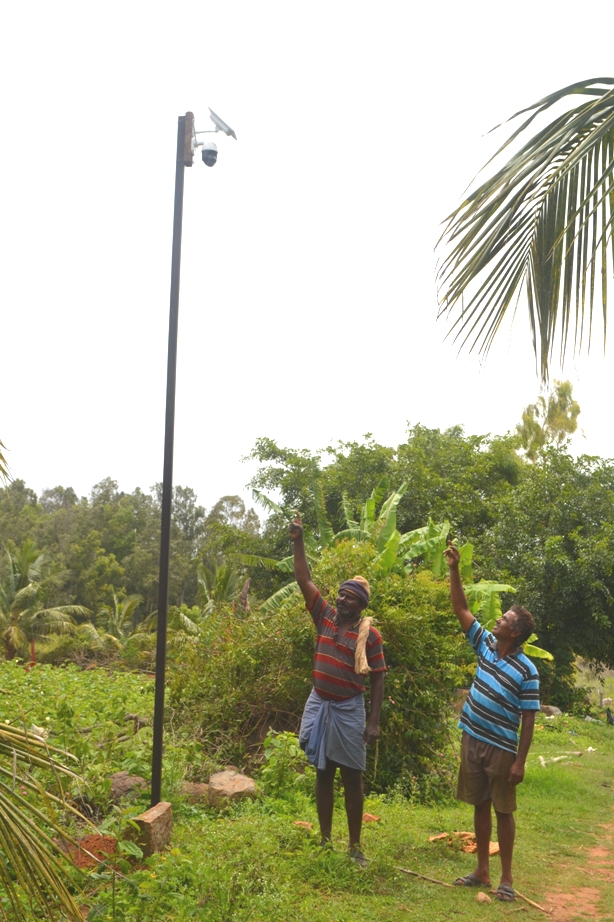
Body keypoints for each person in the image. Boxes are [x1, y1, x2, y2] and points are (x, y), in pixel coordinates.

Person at [444, 543, 540, 903]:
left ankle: (507, 879)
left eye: (504, 620)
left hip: (501, 749)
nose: (497, 620)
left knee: (504, 809)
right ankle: (481, 871)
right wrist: (454, 569)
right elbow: (461, 608)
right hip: (472, 738)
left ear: (514, 633)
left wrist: (520, 760)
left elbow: (528, 718)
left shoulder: (527, 670)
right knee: (480, 804)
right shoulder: (484, 644)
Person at [289, 514, 386, 867]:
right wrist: (298, 540)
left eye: (349, 597)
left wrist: (372, 722)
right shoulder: (325, 617)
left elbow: (377, 679)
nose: (341, 599)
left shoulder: (369, 636)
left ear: (361, 605)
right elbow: (304, 578)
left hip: (348, 708)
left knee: (352, 776)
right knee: (322, 772)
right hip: (320, 702)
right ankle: (326, 840)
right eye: (341, 594)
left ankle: (356, 846)